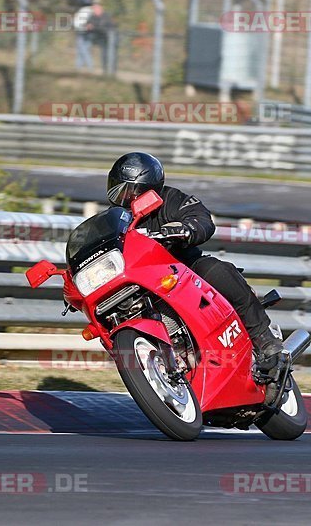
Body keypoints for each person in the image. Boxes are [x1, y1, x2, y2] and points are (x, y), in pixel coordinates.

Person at [106, 152, 284, 380]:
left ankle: (265, 340)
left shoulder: (171, 199)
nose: (123, 197)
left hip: (183, 266)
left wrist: (186, 228)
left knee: (217, 271)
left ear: (148, 189)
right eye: (118, 190)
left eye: (129, 191)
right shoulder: (116, 219)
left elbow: (201, 217)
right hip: (141, 278)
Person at [86, 2, 115, 75]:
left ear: (100, 8)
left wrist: (93, 27)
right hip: (101, 38)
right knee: (103, 54)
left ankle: (111, 71)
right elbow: (88, 24)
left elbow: (103, 27)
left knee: (110, 54)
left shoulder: (106, 16)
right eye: (94, 9)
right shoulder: (93, 16)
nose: (94, 10)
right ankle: (105, 70)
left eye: (96, 8)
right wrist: (88, 26)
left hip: (109, 37)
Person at [73, 0, 95, 71]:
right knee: (83, 50)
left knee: (83, 50)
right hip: (88, 33)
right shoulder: (91, 10)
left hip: (82, 33)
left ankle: (90, 67)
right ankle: (79, 67)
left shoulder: (82, 11)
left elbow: (77, 23)